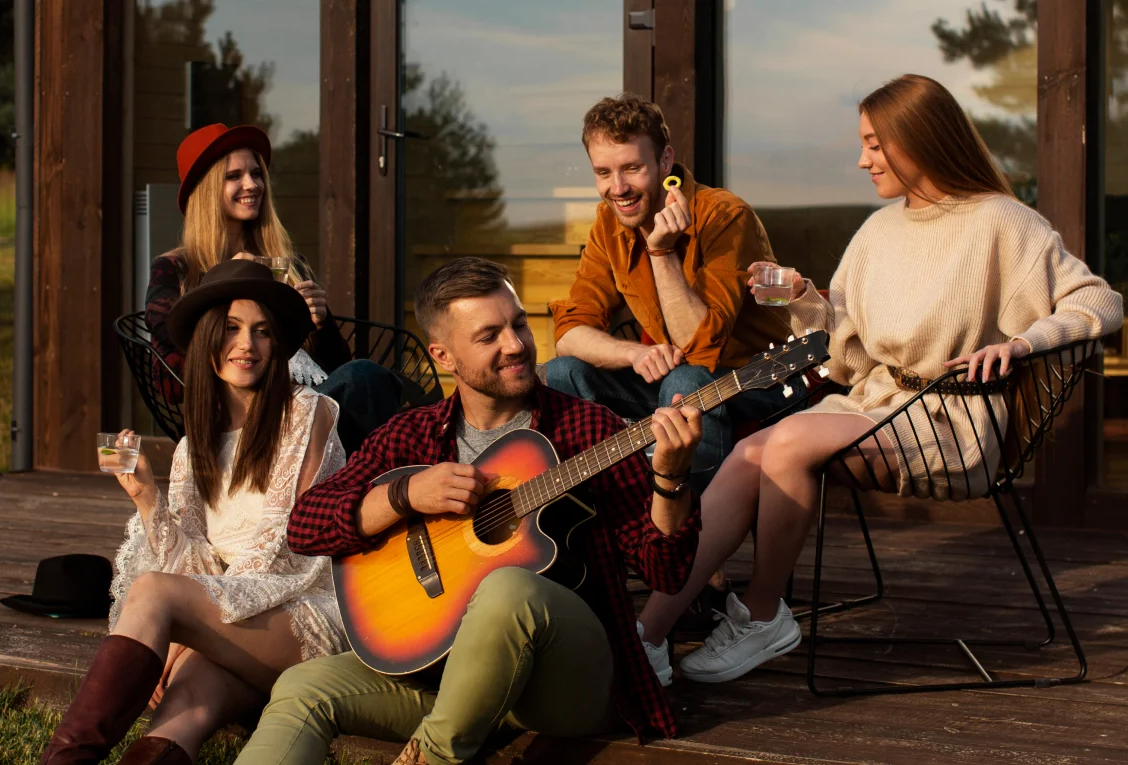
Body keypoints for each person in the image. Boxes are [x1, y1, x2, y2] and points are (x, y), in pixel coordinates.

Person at [634, 73, 1124, 687]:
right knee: (749, 453)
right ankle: (648, 635)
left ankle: (761, 615)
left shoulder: (1003, 221)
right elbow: (846, 355)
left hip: (952, 423)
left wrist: (1023, 343)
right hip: (877, 404)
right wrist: (800, 296)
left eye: (873, 143)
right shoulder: (878, 231)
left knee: (784, 443)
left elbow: (1100, 302)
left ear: (918, 139)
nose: (862, 160)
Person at [232, 257, 703, 765]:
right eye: (489, 335)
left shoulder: (590, 430)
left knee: (509, 589)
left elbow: (666, 572)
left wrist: (670, 480)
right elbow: (305, 526)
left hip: (563, 683)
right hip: (441, 675)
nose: (515, 345)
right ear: (443, 355)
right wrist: (404, 495)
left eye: (519, 324)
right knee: (304, 686)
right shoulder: (410, 435)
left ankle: (432, 758)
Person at [40, 259, 349, 765]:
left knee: (153, 592)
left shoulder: (307, 412)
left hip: (306, 616)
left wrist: (188, 628)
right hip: (238, 631)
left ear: (277, 346)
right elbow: (196, 564)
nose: (247, 345)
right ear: (206, 342)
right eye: (231, 329)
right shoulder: (191, 447)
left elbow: (283, 550)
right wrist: (147, 498)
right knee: (182, 712)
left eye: (262, 331)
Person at [545, 93, 793, 496]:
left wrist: (660, 252)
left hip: (766, 378)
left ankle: (692, 526)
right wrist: (633, 354)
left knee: (685, 380)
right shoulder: (608, 223)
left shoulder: (724, 215)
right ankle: (600, 514)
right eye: (603, 172)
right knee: (561, 373)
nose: (617, 188)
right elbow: (569, 332)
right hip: (683, 382)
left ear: (665, 161)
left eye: (632, 168)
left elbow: (699, 346)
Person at [146, 122, 400, 454]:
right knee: (364, 379)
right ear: (206, 189)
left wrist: (321, 323)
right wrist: (225, 289)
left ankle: (371, 474)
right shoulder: (175, 269)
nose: (252, 184)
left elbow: (333, 369)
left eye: (256, 173)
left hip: (308, 411)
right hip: (238, 421)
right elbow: (167, 383)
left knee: (366, 383)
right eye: (234, 176)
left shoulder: (289, 264)